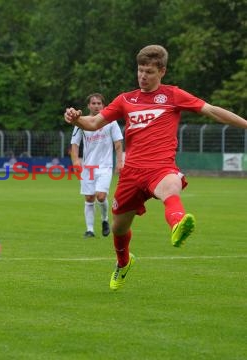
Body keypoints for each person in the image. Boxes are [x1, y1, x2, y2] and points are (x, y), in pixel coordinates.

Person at [64, 44, 247, 291]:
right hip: (131, 174)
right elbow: (94, 122)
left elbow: (212, 111)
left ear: (162, 71)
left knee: (171, 185)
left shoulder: (173, 95)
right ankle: (124, 262)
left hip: (160, 168)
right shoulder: (125, 99)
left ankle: (178, 223)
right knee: (119, 228)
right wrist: (77, 119)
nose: (142, 76)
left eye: (149, 71)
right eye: (140, 70)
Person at [70, 93, 124, 239]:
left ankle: (105, 219)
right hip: (88, 167)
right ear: (88, 106)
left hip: (105, 166)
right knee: (89, 198)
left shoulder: (111, 122)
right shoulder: (81, 123)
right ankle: (90, 230)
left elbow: (118, 143)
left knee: (100, 196)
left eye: (99, 103)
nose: (96, 106)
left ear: (104, 106)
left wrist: (119, 162)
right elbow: (75, 144)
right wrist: (75, 161)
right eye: (93, 103)